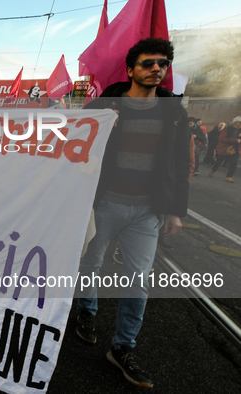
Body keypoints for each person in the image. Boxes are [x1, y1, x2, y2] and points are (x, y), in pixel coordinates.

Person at [75, 38, 190, 389]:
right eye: (148, 63)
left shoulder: (174, 112)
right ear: (130, 70)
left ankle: (123, 347)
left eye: (162, 63)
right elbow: (76, 139)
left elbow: (179, 162)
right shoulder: (104, 104)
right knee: (89, 264)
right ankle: (87, 312)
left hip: (147, 212)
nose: (157, 68)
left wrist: (174, 210)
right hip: (104, 204)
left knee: (138, 281)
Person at [209, 116, 241, 183]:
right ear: (235, 122)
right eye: (239, 122)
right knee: (219, 161)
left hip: (235, 149)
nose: (240, 124)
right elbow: (222, 138)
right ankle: (213, 170)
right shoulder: (227, 129)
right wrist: (235, 140)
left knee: (234, 163)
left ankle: (229, 177)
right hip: (225, 148)